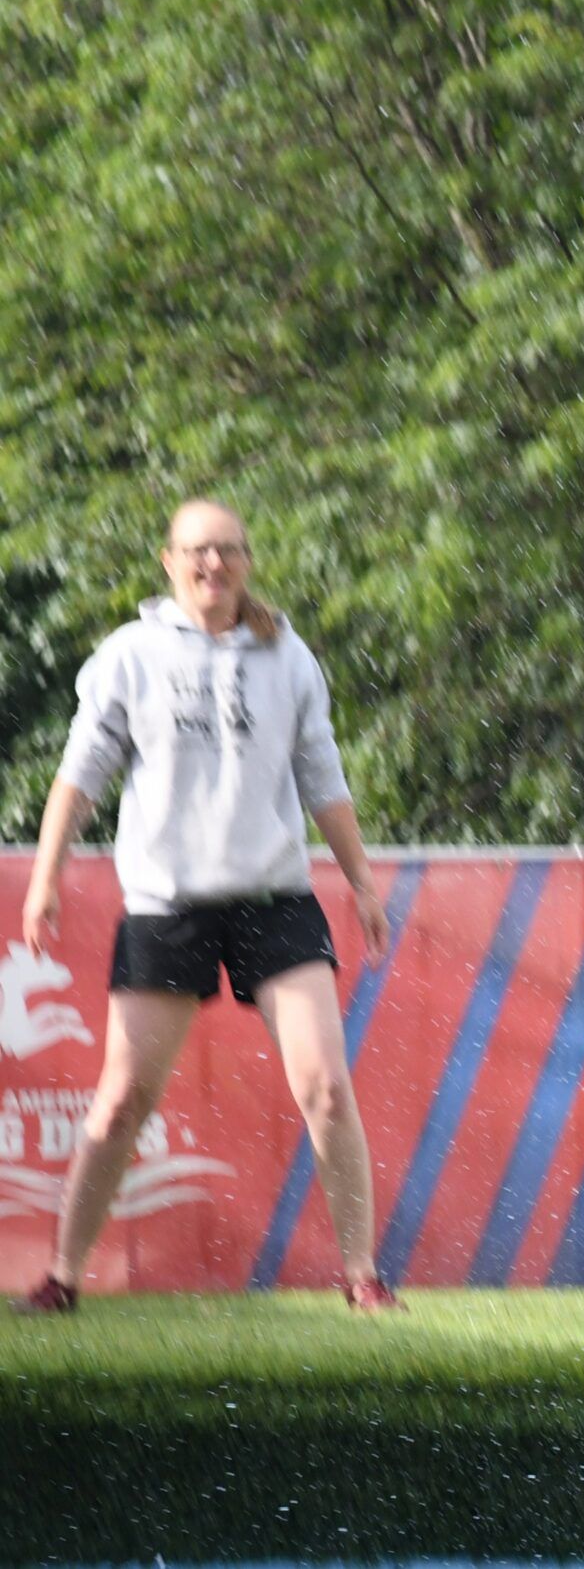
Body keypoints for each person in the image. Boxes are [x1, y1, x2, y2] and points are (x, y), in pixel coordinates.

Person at [13, 499, 399, 1315]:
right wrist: (46, 873)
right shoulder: (131, 655)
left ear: (247, 560)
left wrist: (360, 879)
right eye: (197, 551)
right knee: (120, 1100)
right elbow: (80, 775)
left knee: (328, 1087)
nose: (212, 564)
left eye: (226, 550)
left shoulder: (286, 654)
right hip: (167, 906)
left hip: (276, 899)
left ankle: (363, 1277)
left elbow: (323, 779)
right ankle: (62, 1277)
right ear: (168, 560)